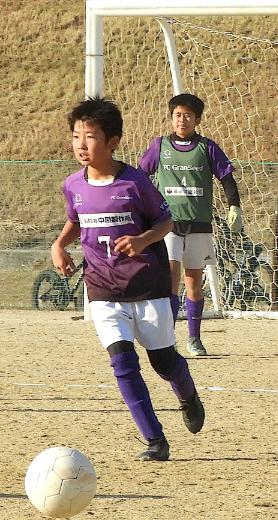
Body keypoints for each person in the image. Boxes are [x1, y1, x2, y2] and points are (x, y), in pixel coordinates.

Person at [51, 97, 205, 462]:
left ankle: (187, 395)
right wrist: (59, 245)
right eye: (76, 136)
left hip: (147, 286)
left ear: (113, 142)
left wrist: (142, 240)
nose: (81, 145)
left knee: (163, 363)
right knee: (122, 363)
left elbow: (165, 222)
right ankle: (155, 440)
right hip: (102, 290)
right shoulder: (73, 185)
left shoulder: (135, 182)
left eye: (90, 137)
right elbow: (76, 220)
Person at [139, 93, 243, 357]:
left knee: (194, 283)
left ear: (197, 119)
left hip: (199, 224)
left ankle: (194, 339)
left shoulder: (207, 147)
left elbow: (227, 178)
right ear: (171, 118)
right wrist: (144, 207)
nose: (182, 120)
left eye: (187, 115)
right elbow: (140, 176)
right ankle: (168, 338)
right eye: (177, 115)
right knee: (170, 280)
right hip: (168, 225)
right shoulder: (160, 146)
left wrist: (234, 206)